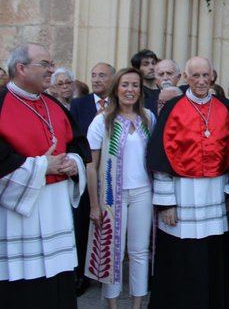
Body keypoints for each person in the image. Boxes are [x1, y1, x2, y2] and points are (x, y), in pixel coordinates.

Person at [0, 43, 91, 308]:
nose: (51, 70)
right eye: (45, 65)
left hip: (55, 207)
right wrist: (42, 167)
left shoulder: (54, 104)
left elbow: (77, 144)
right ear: (21, 68)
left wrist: (74, 163)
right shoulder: (2, 103)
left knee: (57, 277)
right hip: (19, 210)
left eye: (52, 64)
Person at [146, 56, 229, 308]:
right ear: (186, 78)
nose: (200, 81)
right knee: (181, 255)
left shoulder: (224, 108)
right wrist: (166, 203)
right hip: (181, 195)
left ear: (212, 77)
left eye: (205, 75)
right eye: (195, 76)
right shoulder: (174, 107)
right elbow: (160, 157)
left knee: (211, 253)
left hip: (214, 194)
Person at [84, 68, 155, 309]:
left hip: (142, 192)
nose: (130, 90)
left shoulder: (148, 117)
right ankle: (112, 305)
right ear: (116, 88)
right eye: (125, 85)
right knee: (112, 250)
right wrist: (94, 204)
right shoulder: (102, 120)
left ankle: (137, 304)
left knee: (139, 251)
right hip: (111, 195)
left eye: (135, 85)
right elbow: (90, 166)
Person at [69, 60, 115, 295]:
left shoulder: (120, 104)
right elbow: (73, 138)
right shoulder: (79, 105)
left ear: (112, 80)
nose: (96, 79)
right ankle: (81, 275)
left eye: (102, 76)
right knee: (83, 222)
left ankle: (108, 270)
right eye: (93, 75)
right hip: (87, 171)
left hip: (113, 174)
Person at [131, 49, 159, 114]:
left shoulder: (162, 90)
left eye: (153, 63)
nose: (152, 67)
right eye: (146, 64)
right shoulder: (136, 91)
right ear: (137, 69)